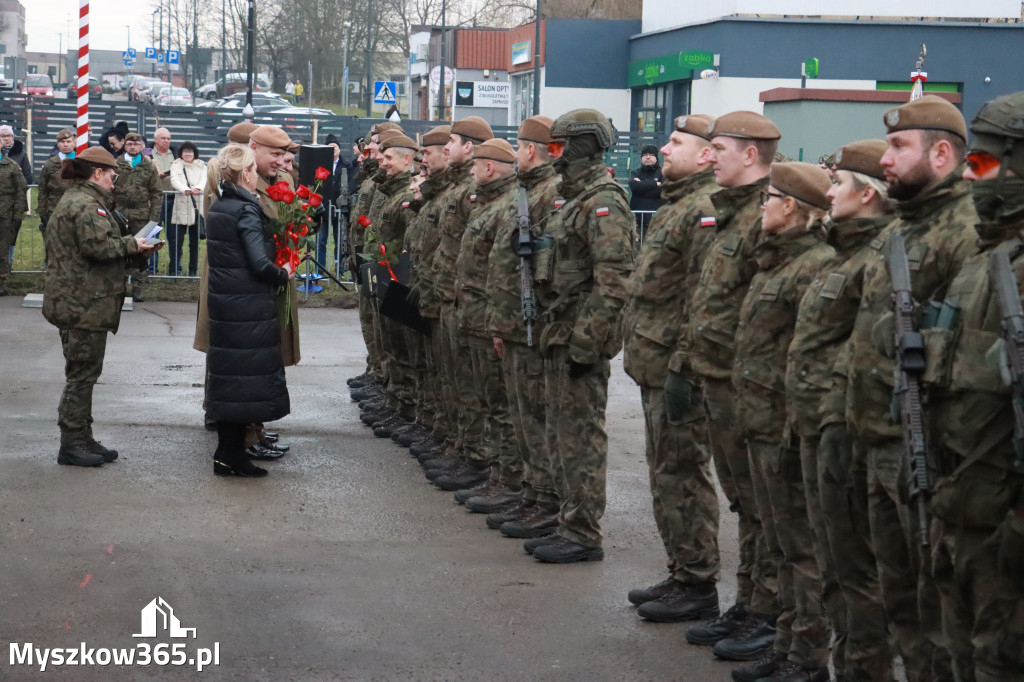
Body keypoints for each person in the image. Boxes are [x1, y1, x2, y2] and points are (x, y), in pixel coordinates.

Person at [825, 95, 975, 682]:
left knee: (936, 611)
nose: (885, 161)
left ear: (941, 153)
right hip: (877, 441)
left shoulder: (964, 233)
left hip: (925, 454)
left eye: (897, 147)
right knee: (898, 603)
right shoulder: (905, 229)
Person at [919, 90, 1024, 682]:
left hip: (1007, 509)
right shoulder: (987, 257)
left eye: (982, 163)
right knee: (960, 648)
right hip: (963, 496)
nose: (969, 174)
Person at [789, 140, 896, 682]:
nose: (828, 193)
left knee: (857, 573)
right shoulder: (845, 253)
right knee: (833, 564)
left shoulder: (880, 260)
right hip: (817, 424)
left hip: (846, 431)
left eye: (838, 185)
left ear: (868, 194)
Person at [729, 162, 834, 682]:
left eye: (769, 198)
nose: (762, 206)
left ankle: (808, 655)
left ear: (790, 206)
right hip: (760, 418)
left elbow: (809, 358)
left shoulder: (813, 266)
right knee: (780, 541)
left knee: (802, 547)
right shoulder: (777, 262)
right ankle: (787, 640)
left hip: (785, 425)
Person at [685, 111, 781, 663]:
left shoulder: (767, 215)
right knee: (745, 502)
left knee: (764, 505)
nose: (709, 155)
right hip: (719, 377)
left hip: (750, 384)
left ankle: (767, 608)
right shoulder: (733, 213)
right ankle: (749, 600)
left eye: (718, 147)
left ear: (750, 154)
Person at [622, 114, 723, 623]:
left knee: (683, 472)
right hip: (656, 363)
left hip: (676, 367)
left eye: (677, 142)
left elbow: (702, 300)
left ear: (708, 154)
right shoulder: (678, 203)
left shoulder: (704, 209)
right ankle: (682, 570)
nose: (664, 148)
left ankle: (699, 581)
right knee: (665, 472)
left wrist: (684, 368)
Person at [525, 108, 636, 564]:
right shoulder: (572, 200)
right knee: (559, 433)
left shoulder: (603, 201)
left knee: (581, 437)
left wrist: (587, 343)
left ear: (581, 147)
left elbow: (614, 279)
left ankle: (583, 531)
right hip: (558, 330)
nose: (553, 156)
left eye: (558, 147)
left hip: (579, 339)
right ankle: (566, 520)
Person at [41, 146, 159, 466]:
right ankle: (72, 442)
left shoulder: (83, 200)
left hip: (81, 300)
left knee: (85, 373)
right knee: (81, 375)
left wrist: (134, 250)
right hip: (82, 303)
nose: (114, 181)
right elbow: (97, 247)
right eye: (111, 175)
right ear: (97, 174)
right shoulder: (86, 205)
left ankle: (82, 437)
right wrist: (134, 243)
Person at [481, 115, 562, 526]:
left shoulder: (548, 193)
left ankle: (544, 499)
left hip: (530, 324)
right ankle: (531, 493)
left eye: (518, 145)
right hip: (514, 321)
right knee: (521, 414)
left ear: (531, 150)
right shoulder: (529, 191)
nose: (515, 153)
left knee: (534, 416)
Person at [205, 144, 294, 478]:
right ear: (246, 174)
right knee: (243, 385)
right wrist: (283, 273)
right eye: (254, 171)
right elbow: (258, 262)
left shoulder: (220, 206)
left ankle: (228, 455)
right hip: (248, 308)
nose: (258, 176)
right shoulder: (245, 209)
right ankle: (231, 456)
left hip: (229, 305)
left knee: (231, 384)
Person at [112, 132, 162, 302]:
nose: (133, 147)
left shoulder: (148, 167)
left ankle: (138, 286)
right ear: (125, 145)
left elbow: (156, 193)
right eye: (129, 144)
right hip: (119, 214)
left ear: (142, 146)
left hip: (141, 215)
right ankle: (119, 285)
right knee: (119, 249)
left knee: (141, 252)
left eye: (136, 144)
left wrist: (154, 217)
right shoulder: (116, 164)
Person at [169, 141, 207, 276]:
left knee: (194, 243)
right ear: (181, 153)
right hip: (181, 206)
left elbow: (204, 179)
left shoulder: (201, 165)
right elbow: (174, 180)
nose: (188, 154)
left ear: (194, 153)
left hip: (196, 207)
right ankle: (173, 270)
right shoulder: (176, 164)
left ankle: (193, 270)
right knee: (177, 242)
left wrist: (199, 188)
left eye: (190, 151)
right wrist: (184, 189)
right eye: (185, 151)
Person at [1, 124, 33, 266]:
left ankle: (10, 261)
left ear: (13, 137)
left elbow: (28, 176)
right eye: (2, 136)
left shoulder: (21, 154)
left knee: (12, 233)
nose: (6, 138)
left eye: (8, 135)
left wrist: (14, 182)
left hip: (15, 201)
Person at [38, 129, 77, 245]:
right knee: (54, 242)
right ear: (58, 144)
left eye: (69, 141)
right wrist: (42, 211)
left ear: (74, 143)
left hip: (76, 206)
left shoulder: (81, 161)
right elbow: (43, 189)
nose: (65, 145)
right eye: (62, 142)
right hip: (55, 207)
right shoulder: (50, 163)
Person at [0, 137, 27, 296]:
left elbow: (21, 191)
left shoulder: (11, 166)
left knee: (2, 251)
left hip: (5, 216)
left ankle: (1, 282)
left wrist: (16, 216)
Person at [629, 143, 665, 236]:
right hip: (637, 223)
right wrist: (654, 184)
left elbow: (662, 190)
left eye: (651, 155)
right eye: (645, 155)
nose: (648, 157)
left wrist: (642, 186)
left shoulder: (663, 173)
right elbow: (634, 188)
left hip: (658, 223)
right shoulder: (635, 172)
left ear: (656, 157)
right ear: (641, 158)